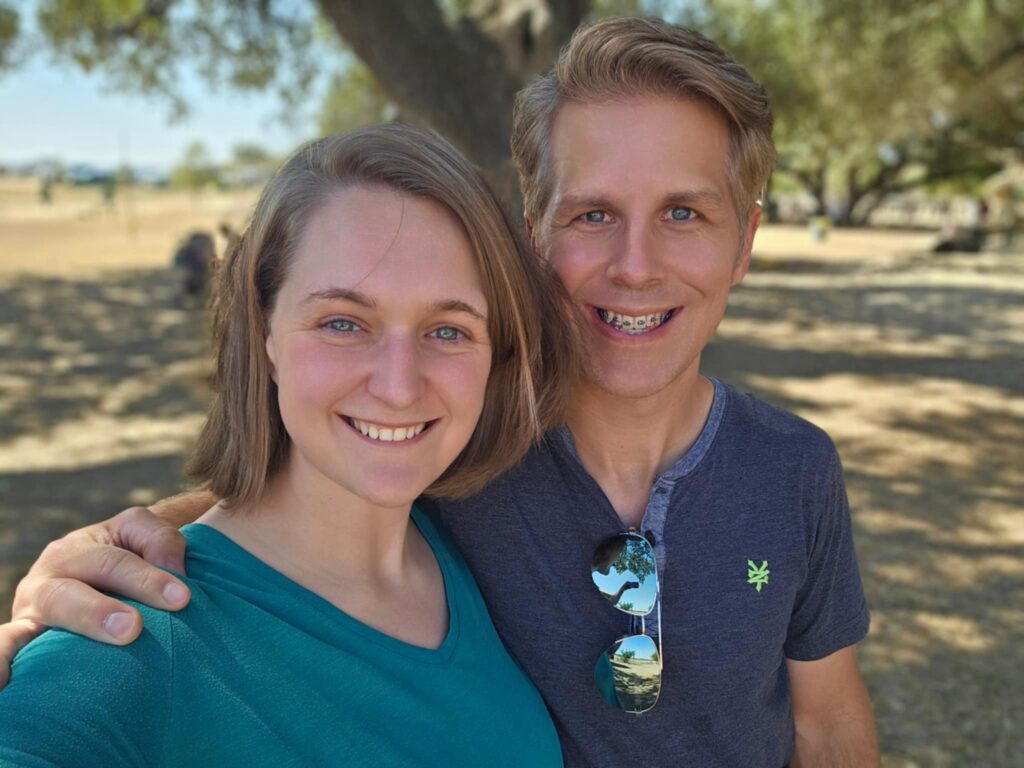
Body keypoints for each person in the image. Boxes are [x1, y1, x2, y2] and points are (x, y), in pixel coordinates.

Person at [0, 17, 879, 767]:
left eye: (684, 213)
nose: (635, 265)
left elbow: (829, 717)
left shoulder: (795, 469)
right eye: (592, 214)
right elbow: (308, 496)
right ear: (536, 232)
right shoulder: (466, 456)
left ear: (746, 241)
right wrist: (120, 545)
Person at [0, 124, 574, 766]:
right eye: (342, 323)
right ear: (265, 333)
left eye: (448, 331)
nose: (398, 386)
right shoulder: (134, 639)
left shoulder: (476, 544)